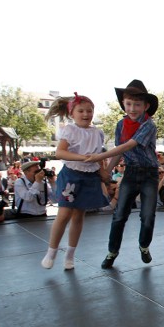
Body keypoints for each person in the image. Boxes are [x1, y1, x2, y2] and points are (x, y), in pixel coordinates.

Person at [85, 80, 160, 270]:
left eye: (137, 105)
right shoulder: (121, 125)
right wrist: (107, 171)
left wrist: (99, 156)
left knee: (148, 215)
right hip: (131, 172)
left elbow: (129, 145)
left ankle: (144, 246)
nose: (132, 108)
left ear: (146, 106)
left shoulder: (148, 124)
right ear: (124, 104)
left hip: (149, 174)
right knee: (119, 215)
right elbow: (119, 151)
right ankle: (112, 252)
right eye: (128, 104)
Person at [41, 93, 109, 270]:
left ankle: (70, 255)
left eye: (89, 111)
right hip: (72, 174)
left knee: (79, 215)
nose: (86, 114)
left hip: (89, 175)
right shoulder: (70, 130)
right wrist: (82, 157)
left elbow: (98, 155)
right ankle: (52, 251)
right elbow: (60, 152)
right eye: (81, 111)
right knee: (64, 214)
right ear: (72, 113)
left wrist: (101, 170)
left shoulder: (97, 133)